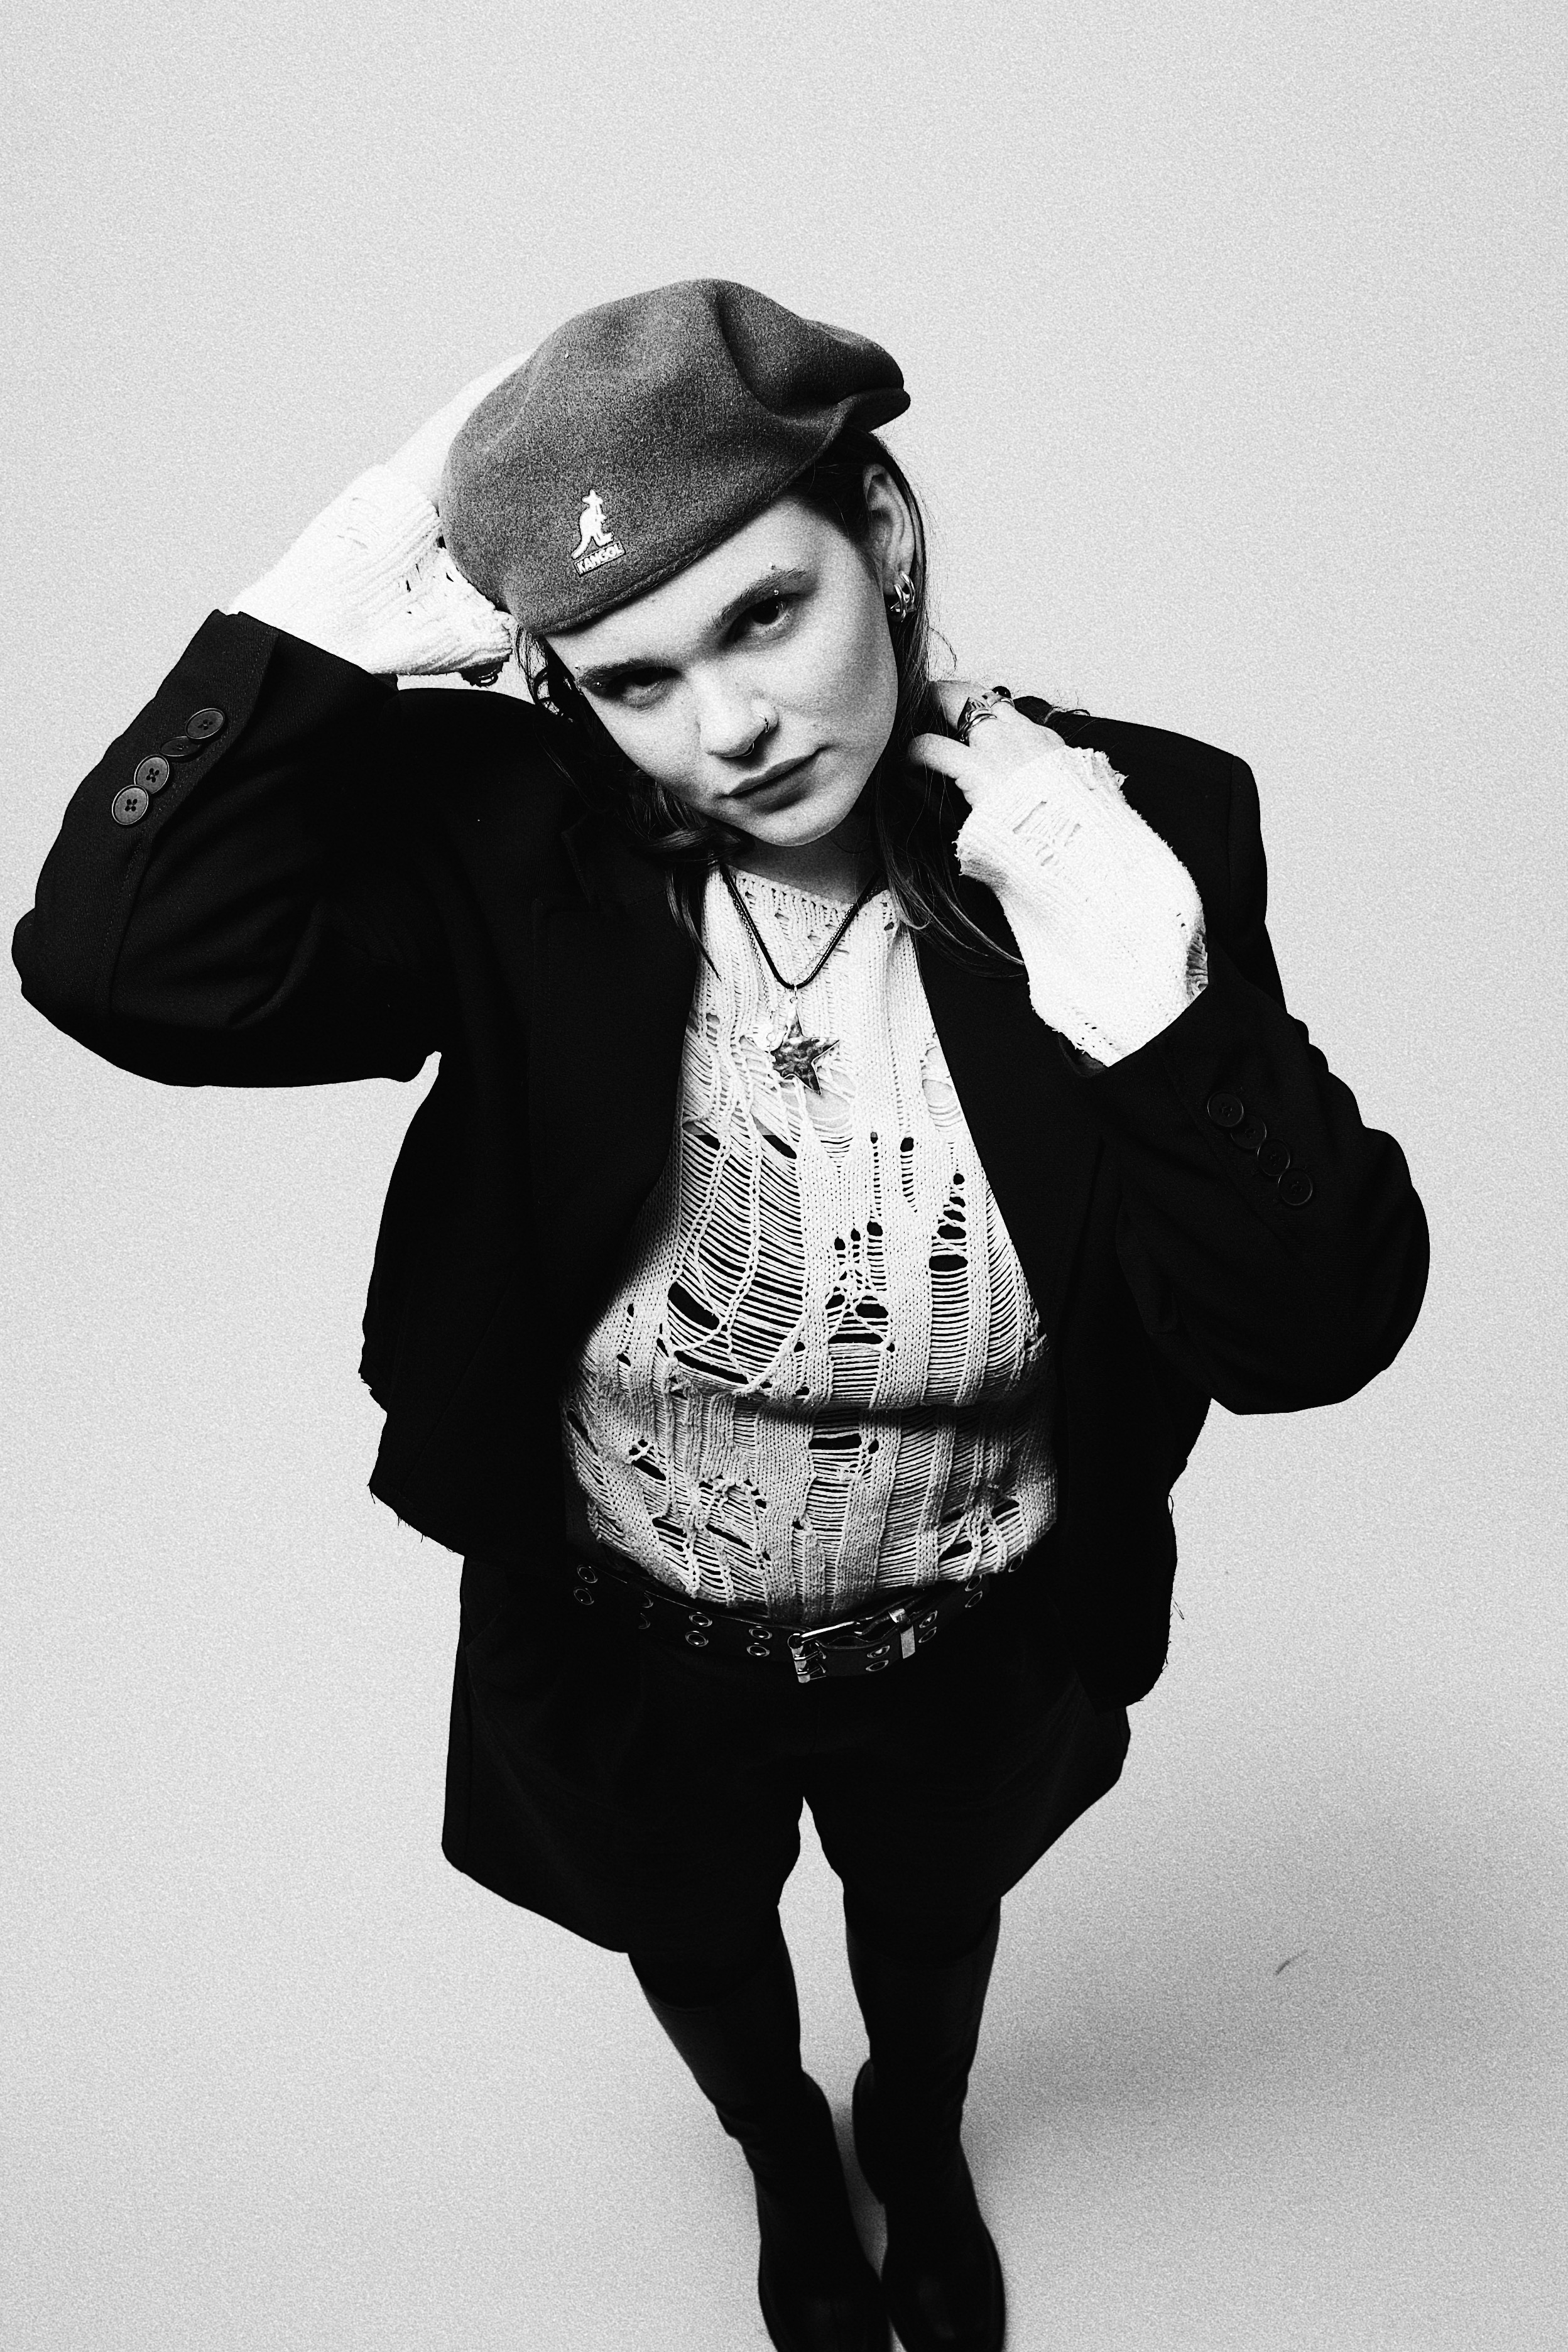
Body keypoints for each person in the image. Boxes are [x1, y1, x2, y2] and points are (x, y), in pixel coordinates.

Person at [11, 280, 1429, 2352]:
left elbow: (1312, 1333)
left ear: (884, 536)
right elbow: (119, 960)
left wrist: (1166, 1018)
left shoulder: (1124, 822)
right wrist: (322, 594)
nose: (728, 727)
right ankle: (781, 2153)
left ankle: (914, 2137)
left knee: (935, 1924)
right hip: (628, 1631)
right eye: (634, 676)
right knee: (689, 1935)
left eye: (765, 614)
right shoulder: (515, 841)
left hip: (977, 1628)